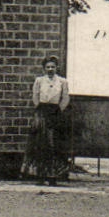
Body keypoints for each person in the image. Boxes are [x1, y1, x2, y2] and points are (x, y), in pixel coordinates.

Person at [27, 55, 72, 186]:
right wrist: (40, 109)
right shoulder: (39, 81)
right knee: (40, 143)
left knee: (54, 144)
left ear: (56, 68)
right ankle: (40, 176)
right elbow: (35, 96)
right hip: (42, 113)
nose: (50, 69)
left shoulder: (63, 82)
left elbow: (65, 98)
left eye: (53, 67)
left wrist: (58, 110)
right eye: (48, 67)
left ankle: (53, 176)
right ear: (44, 69)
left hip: (55, 113)